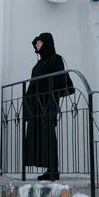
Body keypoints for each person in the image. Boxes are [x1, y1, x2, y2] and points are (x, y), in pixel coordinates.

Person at [22, 32, 73, 180]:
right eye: (36, 43)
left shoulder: (55, 59)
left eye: (39, 43)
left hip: (48, 103)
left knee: (49, 135)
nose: (36, 45)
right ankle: (48, 168)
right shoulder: (39, 63)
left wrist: (46, 92)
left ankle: (53, 169)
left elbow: (59, 79)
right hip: (36, 105)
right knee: (39, 136)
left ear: (46, 43)